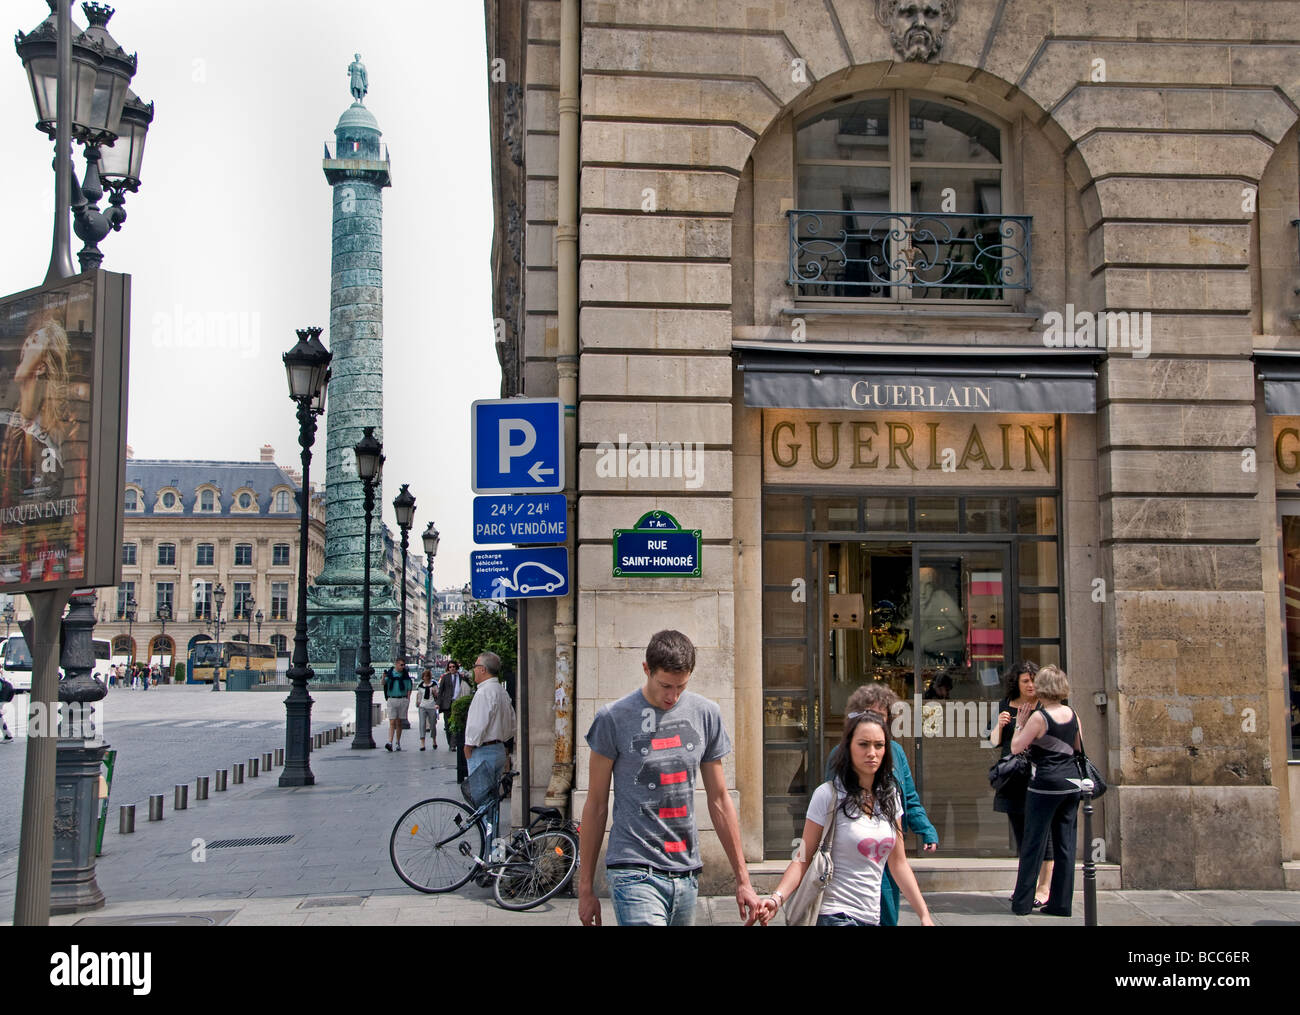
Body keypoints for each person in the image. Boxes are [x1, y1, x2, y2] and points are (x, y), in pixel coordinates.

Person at [579, 629, 762, 927]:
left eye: (681, 686)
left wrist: (743, 880)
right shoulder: (612, 718)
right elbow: (596, 804)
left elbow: (719, 800)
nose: (672, 696)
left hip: (686, 873)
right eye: (665, 685)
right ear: (646, 670)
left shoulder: (706, 714)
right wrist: (585, 888)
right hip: (633, 868)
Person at [761, 710, 934, 926]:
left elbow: (899, 864)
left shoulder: (891, 797)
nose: (872, 752)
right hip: (835, 915)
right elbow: (802, 858)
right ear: (848, 749)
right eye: (863, 744)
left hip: (871, 916)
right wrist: (776, 899)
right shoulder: (828, 795)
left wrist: (924, 915)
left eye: (879, 745)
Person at [825, 682, 938, 926]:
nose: (876, 723)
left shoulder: (896, 752)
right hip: (852, 860)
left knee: (886, 915)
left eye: (882, 717)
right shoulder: (838, 755)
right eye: (869, 715)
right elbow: (828, 808)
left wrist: (925, 829)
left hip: (886, 850)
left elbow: (908, 798)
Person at [1009, 665, 1082, 916]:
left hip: (1044, 786)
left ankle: (1022, 902)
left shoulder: (1040, 717)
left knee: (1033, 843)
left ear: (1042, 688)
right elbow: (1079, 748)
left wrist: (1019, 724)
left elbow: (1017, 747)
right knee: (1065, 845)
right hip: (1071, 785)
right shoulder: (1073, 714)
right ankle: (1061, 904)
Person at [989, 660, 1053, 907]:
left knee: (1043, 834)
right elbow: (994, 741)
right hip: (1013, 777)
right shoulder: (1006, 705)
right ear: (1016, 682)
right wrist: (1000, 724)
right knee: (1022, 835)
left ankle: (1044, 888)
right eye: (1025, 680)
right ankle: (1026, 886)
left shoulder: (1046, 707)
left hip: (1039, 776)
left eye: (1033, 680)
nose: (1030, 685)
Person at [463, 652, 515, 846]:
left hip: (483, 751)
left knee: (482, 806)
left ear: (483, 669)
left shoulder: (484, 692)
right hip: (498, 749)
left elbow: (477, 724)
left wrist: (469, 746)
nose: (474, 670)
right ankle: (493, 849)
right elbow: (512, 723)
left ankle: (488, 854)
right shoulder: (501, 691)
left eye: (476, 666)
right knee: (492, 805)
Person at [382, 656, 413, 751]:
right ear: (396, 664)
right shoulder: (390, 674)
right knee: (392, 721)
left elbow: (409, 688)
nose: (403, 667)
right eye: (401, 665)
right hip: (392, 699)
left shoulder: (405, 676)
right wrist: (383, 677)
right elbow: (383, 683)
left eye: (404, 665)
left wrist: (407, 700)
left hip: (402, 699)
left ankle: (397, 742)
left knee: (399, 722)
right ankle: (390, 742)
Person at [436, 660, 463, 752]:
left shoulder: (461, 677)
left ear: (456, 668)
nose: (452, 668)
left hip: (457, 703)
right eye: (450, 667)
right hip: (447, 704)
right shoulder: (445, 677)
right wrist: (438, 704)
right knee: (447, 725)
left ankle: (453, 744)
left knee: (455, 724)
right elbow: (440, 692)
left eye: (453, 667)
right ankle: (450, 742)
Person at [415, 667, 439, 751]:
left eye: (427, 676)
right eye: (424, 676)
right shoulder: (421, 686)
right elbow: (419, 695)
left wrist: (434, 693)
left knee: (432, 724)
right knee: (422, 724)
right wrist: (417, 703)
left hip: (432, 706)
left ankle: (434, 740)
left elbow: (437, 696)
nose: (426, 678)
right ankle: (422, 743)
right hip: (423, 706)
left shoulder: (434, 685)